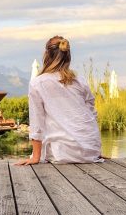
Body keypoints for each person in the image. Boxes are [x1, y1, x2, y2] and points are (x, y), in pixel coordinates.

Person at [15, 36, 103, 166]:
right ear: (68, 56)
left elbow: (36, 122)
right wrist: (93, 148)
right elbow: (90, 113)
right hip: (90, 151)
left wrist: (36, 157)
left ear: (46, 55)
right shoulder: (80, 80)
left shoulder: (38, 83)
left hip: (63, 153)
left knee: (52, 140)